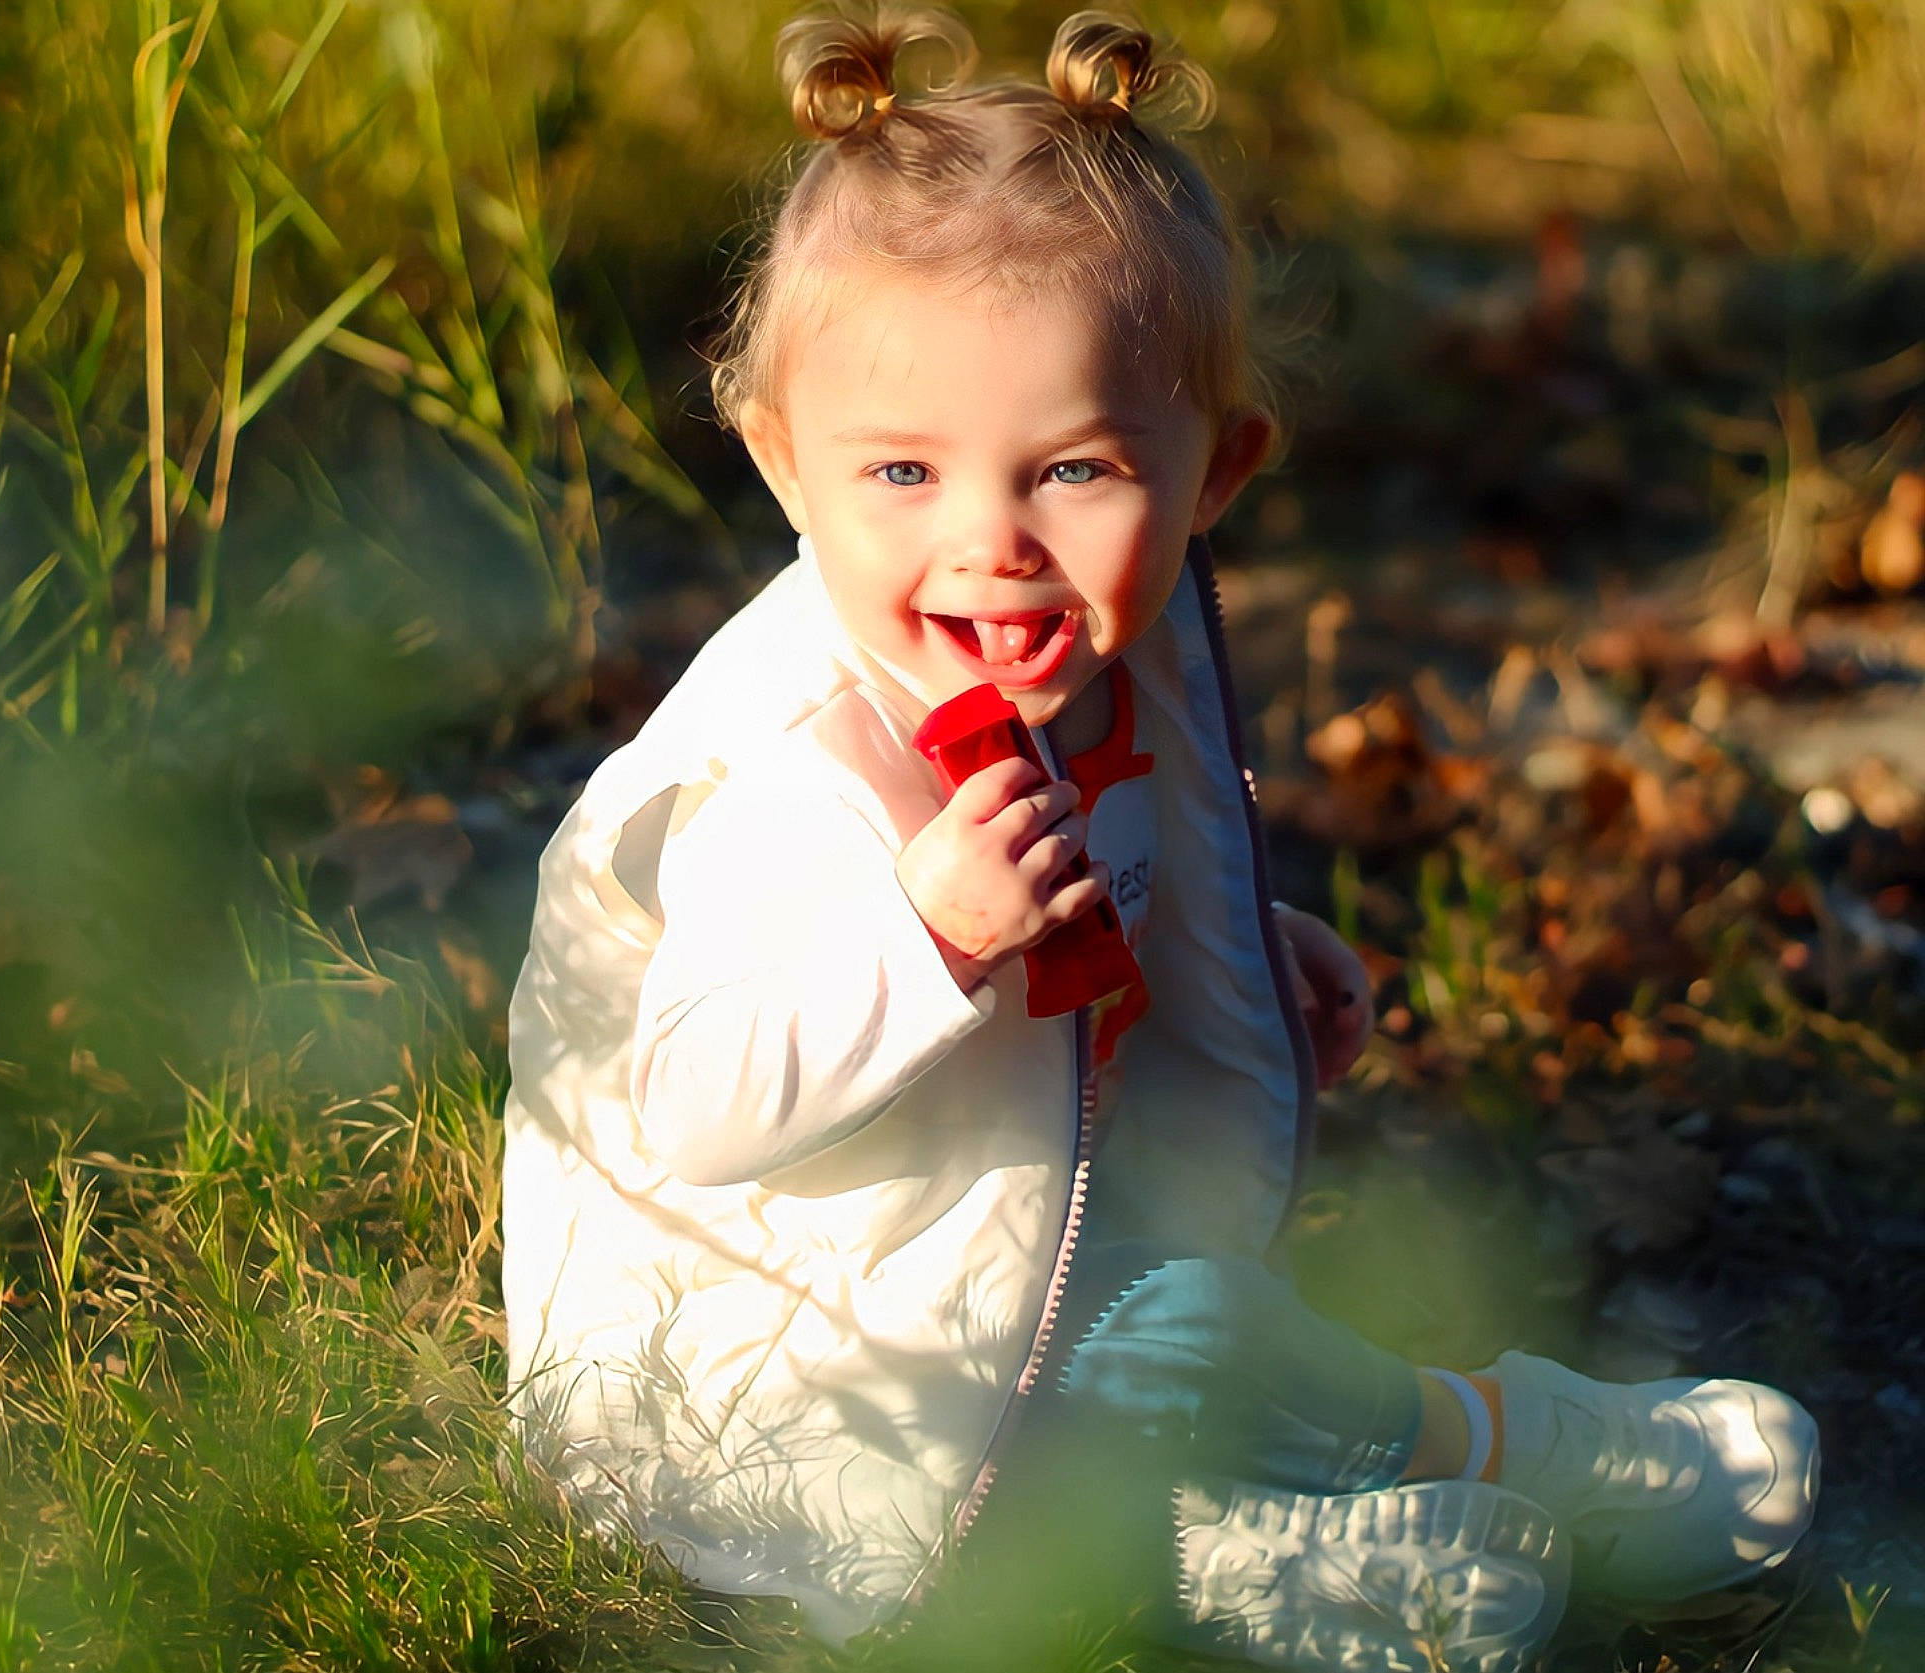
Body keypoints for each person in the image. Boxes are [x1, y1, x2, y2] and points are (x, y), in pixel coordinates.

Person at [500, 8, 1819, 1669]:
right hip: (798, 1367)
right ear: (780, 460)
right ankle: (1493, 1440)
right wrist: (926, 937)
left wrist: (1258, 954)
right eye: (900, 467)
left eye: (1072, 469)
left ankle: (1242, 1563)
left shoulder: (1092, 672)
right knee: (1196, 1334)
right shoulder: (800, 778)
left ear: (1214, 476)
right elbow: (691, 1109)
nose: (989, 539)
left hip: (996, 1271)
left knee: (1160, 1352)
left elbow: (1122, 891)